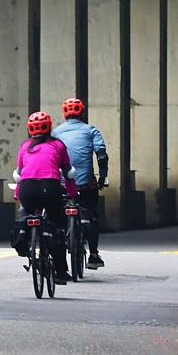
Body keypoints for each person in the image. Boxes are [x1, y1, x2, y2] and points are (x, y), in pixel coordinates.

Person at [14, 110, 77, 284]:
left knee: (26, 214)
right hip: (50, 187)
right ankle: (61, 272)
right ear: (49, 128)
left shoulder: (24, 146)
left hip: (27, 189)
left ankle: (25, 243)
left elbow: (19, 175)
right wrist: (71, 193)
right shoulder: (58, 145)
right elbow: (68, 173)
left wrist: (17, 194)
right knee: (57, 226)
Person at [52, 98, 109, 270]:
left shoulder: (55, 133)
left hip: (62, 184)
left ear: (64, 114)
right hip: (86, 185)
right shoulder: (91, 130)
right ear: (82, 113)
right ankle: (93, 254)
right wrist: (103, 177)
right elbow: (101, 155)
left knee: (56, 219)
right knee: (92, 215)